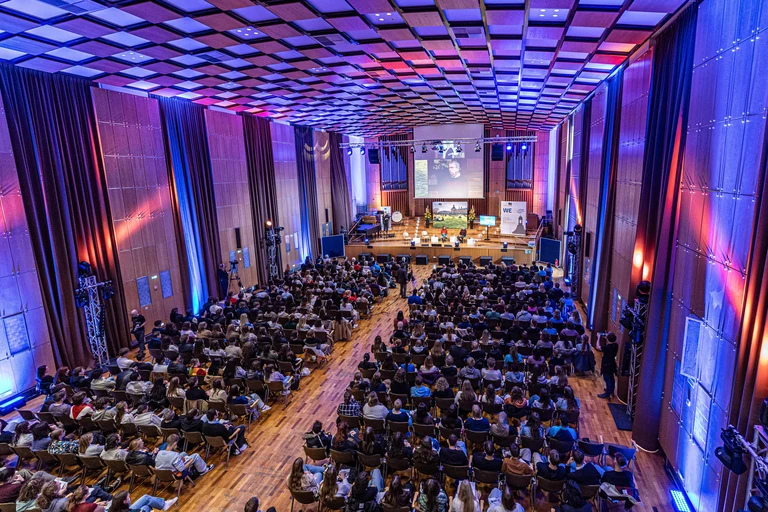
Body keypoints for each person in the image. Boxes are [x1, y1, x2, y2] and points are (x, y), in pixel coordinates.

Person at [109, 490, 178, 512]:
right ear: (124, 501)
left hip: (129, 509)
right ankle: (163, 505)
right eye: (128, 498)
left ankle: (164, 504)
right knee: (147, 507)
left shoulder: (112, 508)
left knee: (146, 498)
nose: (130, 499)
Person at [597, 332, 618, 399]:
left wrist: (598, 337)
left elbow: (598, 347)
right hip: (612, 364)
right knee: (611, 378)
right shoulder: (616, 345)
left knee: (607, 379)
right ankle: (611, 391)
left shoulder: (607, 347)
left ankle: (607, 394)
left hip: (606, 365)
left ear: (608, 339)